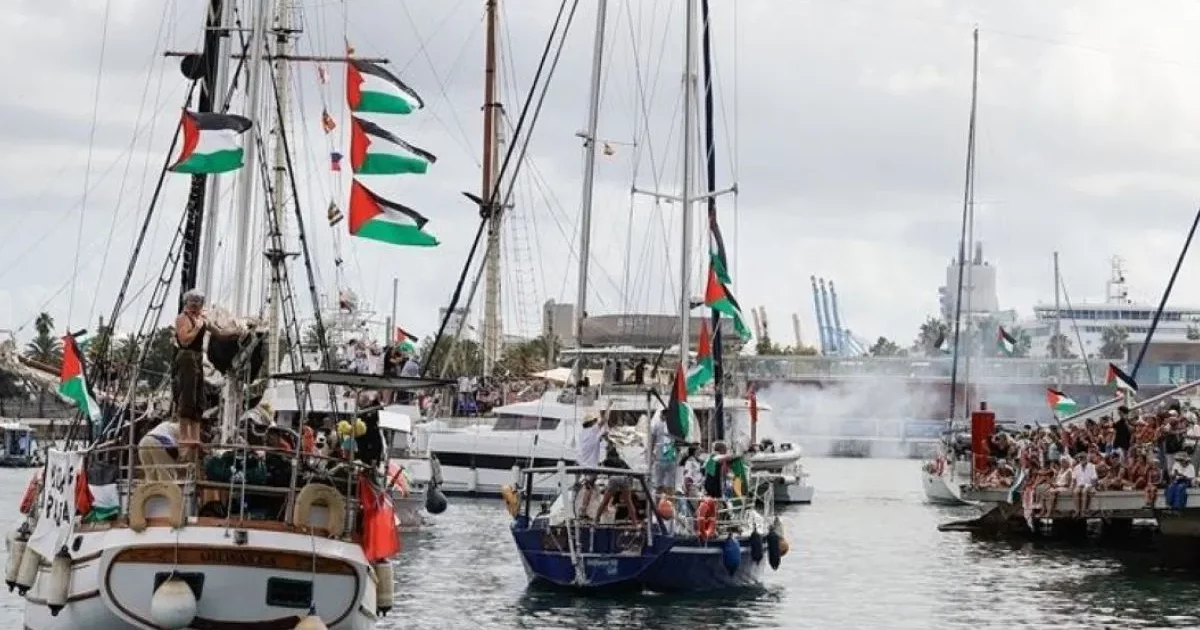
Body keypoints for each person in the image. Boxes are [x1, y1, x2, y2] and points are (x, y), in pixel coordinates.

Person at [174, 289, 211, 463]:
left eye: (198, 303)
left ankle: (195, 440)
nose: (195, 306)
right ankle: (184, 442)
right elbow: (184, 340)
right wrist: (196, 327)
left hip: (197, 357)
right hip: (187, 356)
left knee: (198, 400)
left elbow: (216, 331)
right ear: (186, 303)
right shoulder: (183, 319)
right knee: (187, 396)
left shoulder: (202, 319)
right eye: (192, 302)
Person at [575, 407, 607, 517]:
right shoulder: (592, 431)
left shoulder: (583, 434)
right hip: (591, 465)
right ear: (590, 423)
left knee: (588, 487)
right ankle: (583, 510)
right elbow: (603, 422)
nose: (595, 423)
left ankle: (584, 509)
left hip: (583, 464)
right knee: (589, 488)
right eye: (594, 421)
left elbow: (597, 438)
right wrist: (607, 409)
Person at [649, 410, 678, 499]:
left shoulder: (669, 425)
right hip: (663, 458)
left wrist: (651, 453)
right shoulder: (658, 425)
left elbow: (653, 439)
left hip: (667, 458)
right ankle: (661, 504)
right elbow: (653, 440)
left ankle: (666, 504)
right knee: (661, 484)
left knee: (666, 485)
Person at [1071, 451, 1098, 516]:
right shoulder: (1076, 467)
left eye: (1083, 458)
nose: (1082, 459)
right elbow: (1074, 479)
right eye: (1080, 458)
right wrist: (1073, 487)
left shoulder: (1092, 466)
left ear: (1086, 459)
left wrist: (1093, 487)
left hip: (1088, 485)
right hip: (1079, 485)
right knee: (1075, 491)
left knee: (1084, 491)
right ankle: (1077, 511)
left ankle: (1083, 511)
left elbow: (1094, 478)